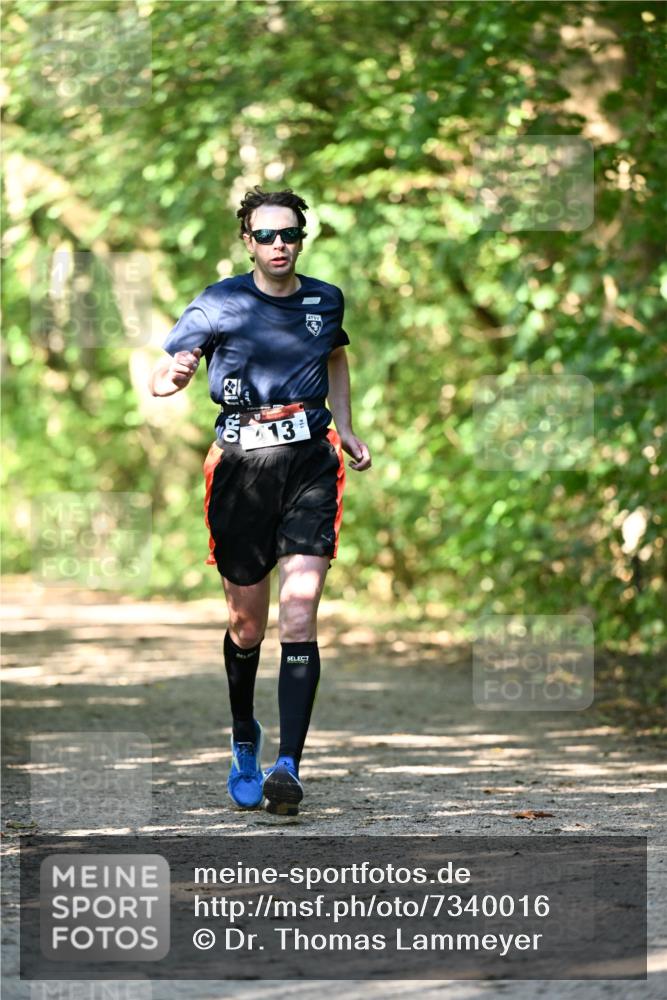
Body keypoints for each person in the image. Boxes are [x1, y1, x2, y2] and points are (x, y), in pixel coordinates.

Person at [149, 186, 371, 815]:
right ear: (248, 242)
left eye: (289, 234)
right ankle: (245, 732)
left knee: (299, 611)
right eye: (266, 235)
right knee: (247, 625)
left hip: (309, 461)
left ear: (302, 239)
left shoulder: (324, 299)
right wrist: (175, 376)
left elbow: (334, 356)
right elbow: (161, 376)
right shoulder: (219, 301)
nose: (279, 245)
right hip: (240, 467)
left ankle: (289, 767)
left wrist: (345, 426)